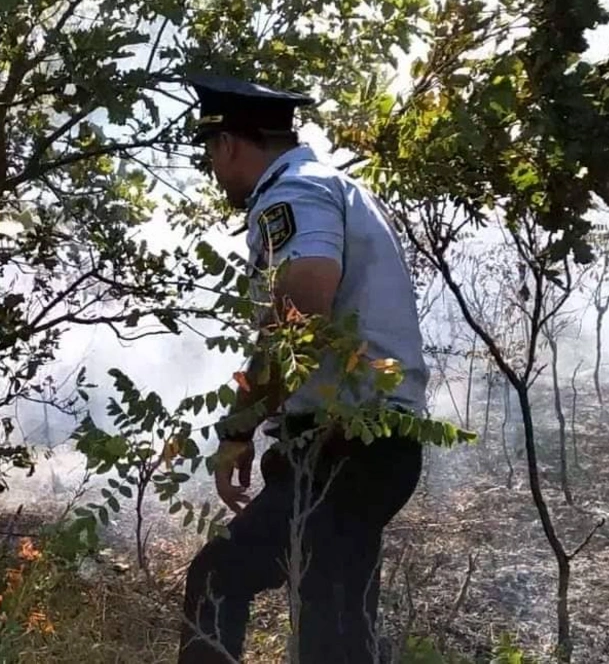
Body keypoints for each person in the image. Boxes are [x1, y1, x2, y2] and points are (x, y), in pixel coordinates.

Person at [178, 73, 430, 663]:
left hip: (346, 448)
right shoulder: (333, 186)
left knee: (221, 577)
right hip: (366, 445)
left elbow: (300, 322)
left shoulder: (291, 194)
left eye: (210, 153)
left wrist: (236, 430)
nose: (215, 170)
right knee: (334, 624)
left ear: (229, 145)